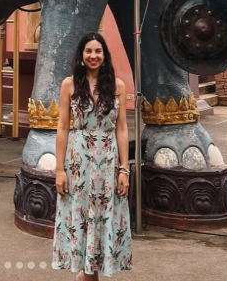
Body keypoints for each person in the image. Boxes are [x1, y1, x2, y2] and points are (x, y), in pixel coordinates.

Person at [52, 32, 132, 279]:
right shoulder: (69, 84)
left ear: (105, 55)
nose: (93, 56)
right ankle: (86, 274)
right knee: (81, 214)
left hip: (108, 162)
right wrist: (59, 169)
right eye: (88, 51)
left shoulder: (117, 86)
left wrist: (124, 169)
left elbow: (121, 128)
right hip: (78, 161)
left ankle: (88, 275)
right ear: (81, 54)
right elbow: (63, 127)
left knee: (103, 215)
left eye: (98, 51)